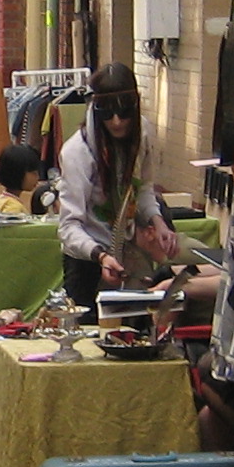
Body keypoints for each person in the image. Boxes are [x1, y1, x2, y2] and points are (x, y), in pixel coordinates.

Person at [55, 61, 181, 318]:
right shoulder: (77, 153)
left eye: (124, 114)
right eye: (108, 115)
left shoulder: (142, 133)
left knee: (137, 331)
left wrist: (158, 223)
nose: (116, 122)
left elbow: (143, 189)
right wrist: (100, 256)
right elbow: (68, 226)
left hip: (129, 252)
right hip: (86, 261)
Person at [0, 142, 45, 217]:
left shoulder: (5, 200)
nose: (37, 177)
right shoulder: (13, 209)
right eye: (33, 173)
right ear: (18, 173)